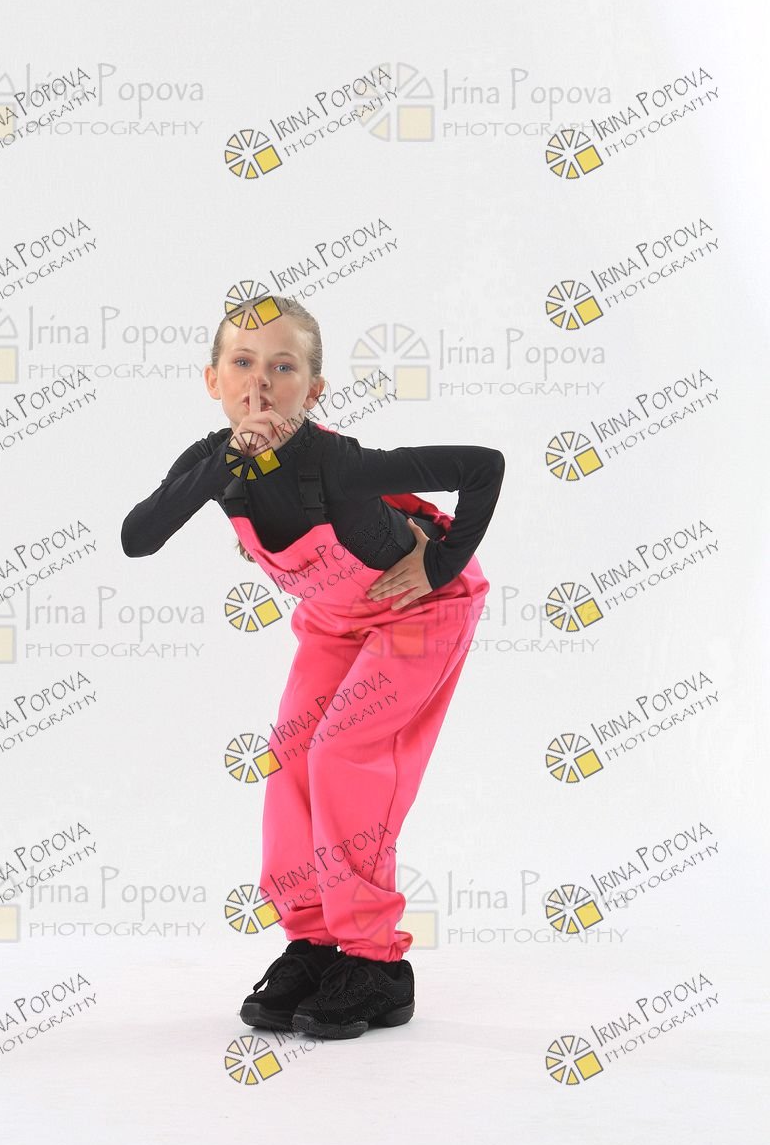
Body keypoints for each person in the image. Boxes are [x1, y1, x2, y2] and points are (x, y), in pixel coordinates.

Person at [120, 295, 505, 1040]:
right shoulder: (211, 463)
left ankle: (375, 963)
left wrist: (441, 562)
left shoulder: (337, 462)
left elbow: (482, 468)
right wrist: (225, 463)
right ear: (213, 380)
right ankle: (316, 941)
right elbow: (141, 536)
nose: (260, 383)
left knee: (343, 753)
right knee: (293, 757)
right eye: (242, 363)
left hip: (420, 613)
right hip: (335, 620)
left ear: (313, 389)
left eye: (283, 367)